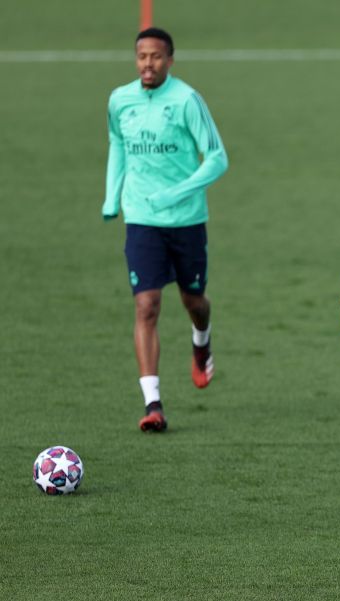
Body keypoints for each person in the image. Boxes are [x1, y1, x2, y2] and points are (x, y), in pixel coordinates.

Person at [102, 27, 228, 431]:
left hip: (187, 220)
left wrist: (178, 192)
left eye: (156, 57)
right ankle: (152, 403)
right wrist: (111, 197)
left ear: (170, 60)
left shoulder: (187, 100)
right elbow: (117, 145)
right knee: (146, 305)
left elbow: (218, 158)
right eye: (141, 57)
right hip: (141, 218)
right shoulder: (120, 100)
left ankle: (202, 339)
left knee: (195, 302)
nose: (148, 64)